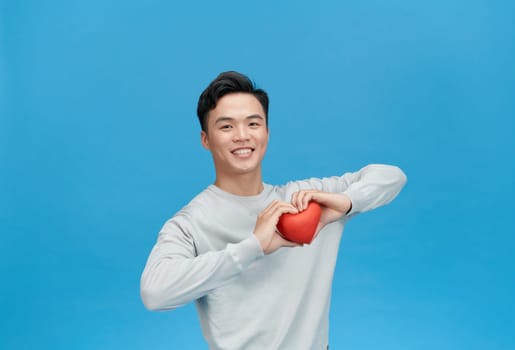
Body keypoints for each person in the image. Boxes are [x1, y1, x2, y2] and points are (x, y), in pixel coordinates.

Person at [140, 71, 407, 349]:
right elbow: (154, 292)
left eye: (253, 123)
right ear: (205, 139)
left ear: (266, 132)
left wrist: (345, 203)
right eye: (227, 127)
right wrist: (253, 246)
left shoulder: (306, 200)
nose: (242, 136)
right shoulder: (191, 222)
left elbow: (392, 176)